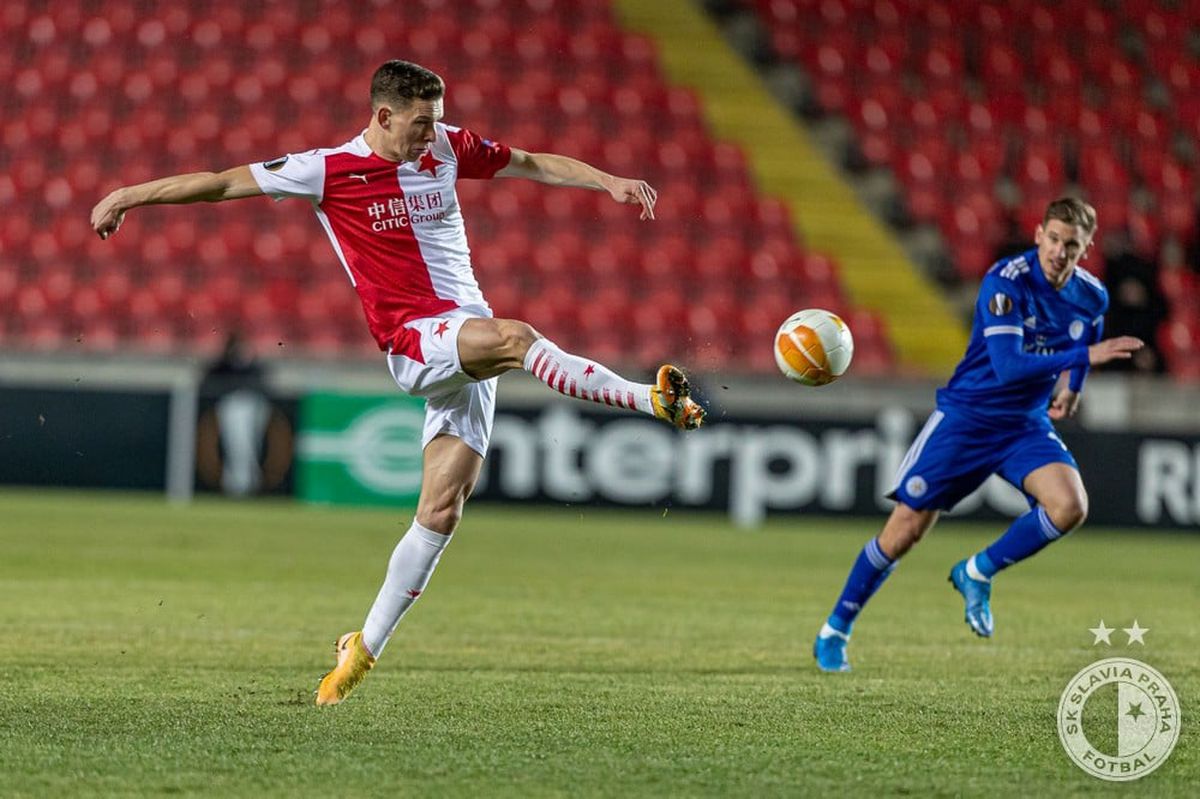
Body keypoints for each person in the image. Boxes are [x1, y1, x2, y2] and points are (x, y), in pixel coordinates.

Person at [90, 60, 707, 703]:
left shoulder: (445, 146)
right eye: (419, 123)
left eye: (436, 120)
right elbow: (221, 185)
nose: (431, 134)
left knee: (442, 510)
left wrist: (608, 182)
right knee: (518, 338)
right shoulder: (327, 169)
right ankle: (649, 397)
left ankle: (361, 651)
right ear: (383, 117)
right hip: (416, 340)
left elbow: (530, 162)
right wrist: (126, 195)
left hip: (466, 344)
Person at [812, 197, 1144, 672]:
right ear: (1038, 235)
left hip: (1024, 424)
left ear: (1086, 249)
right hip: (968, 418)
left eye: (1071, 245)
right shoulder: (1004, 284)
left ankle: (977, 571)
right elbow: (1009, 366)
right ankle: (835, 631)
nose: (1059, 252)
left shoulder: (1092, 295)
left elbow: (1084, 340)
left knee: (1070, 507)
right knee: (904, 531)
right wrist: (1079, 362)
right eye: (1052, 240)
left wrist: (1072, 389)